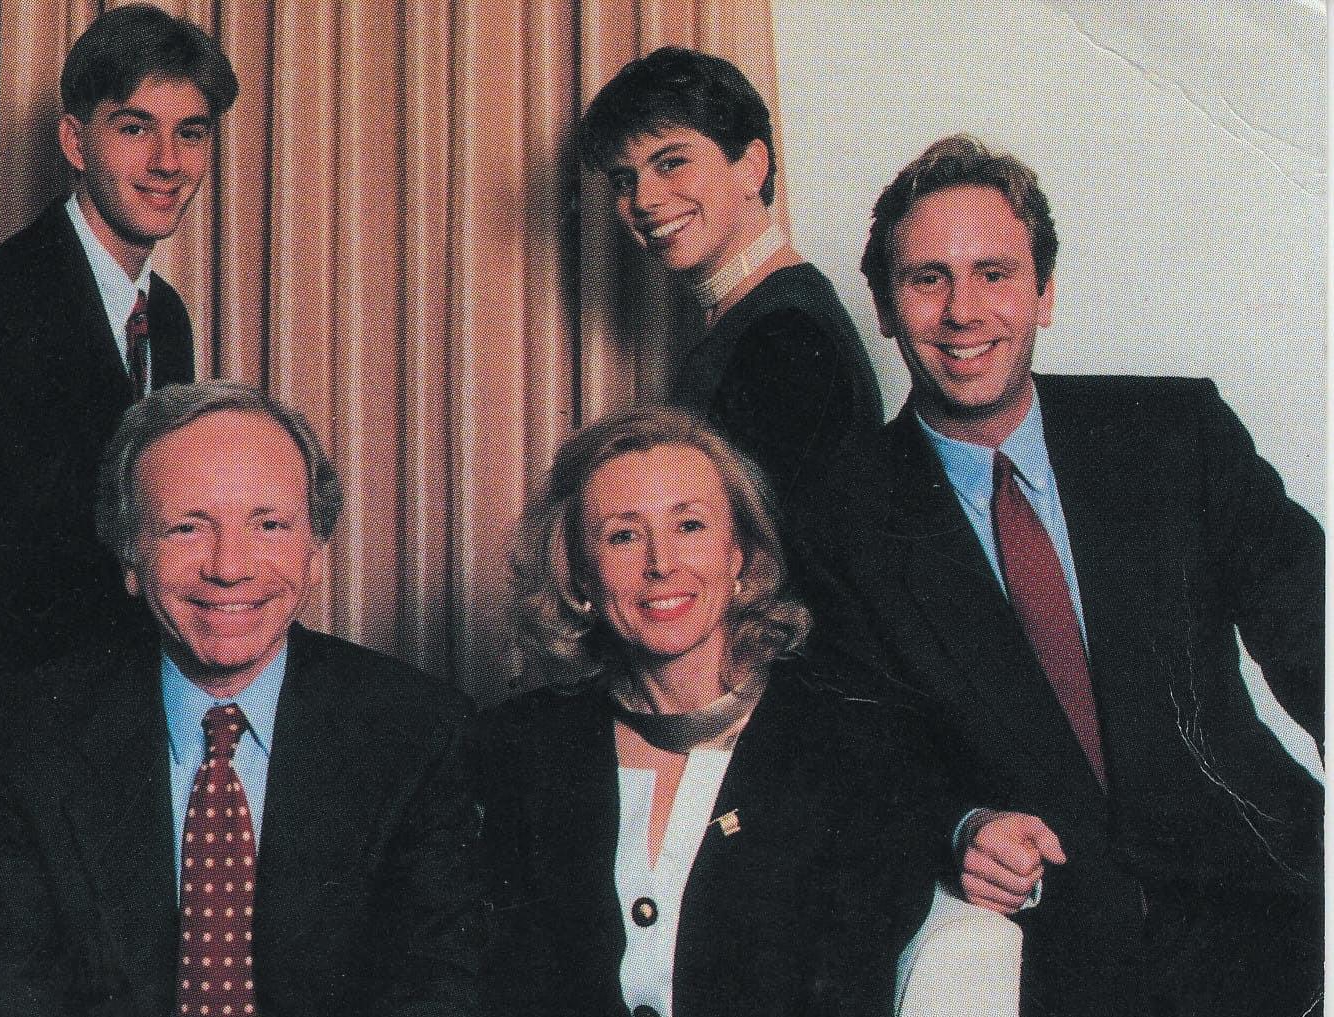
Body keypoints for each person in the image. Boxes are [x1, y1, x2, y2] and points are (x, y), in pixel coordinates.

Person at [792, 134, 1323, 1016]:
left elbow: (1312, 624)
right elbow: (853, 751)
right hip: (1059, 949)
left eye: (993, 273)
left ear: (1042, 292)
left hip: (1271, 899)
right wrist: (959, 825)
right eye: (927, 279)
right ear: (884, 307)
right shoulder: (836, 523)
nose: (963, 311)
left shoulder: (1173, 431)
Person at [0, 381, 481, 1016]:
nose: (229, 566)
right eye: (186, 528)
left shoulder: (419, 733)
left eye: (269, 525)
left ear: (315, 550)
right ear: (130, 558)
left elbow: (440, 992)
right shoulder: (25, 737)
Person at [478, 406, 937, 1017]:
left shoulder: (848, 746)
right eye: (622, 535)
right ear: (579, 575)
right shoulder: (518, 749)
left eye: (689, 526)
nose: (661, 564)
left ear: (739, 553)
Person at [0, 3, 239, 678]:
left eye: (191, 133)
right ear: (75, 142)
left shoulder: (166, 316)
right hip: (14, 688)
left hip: (125, 679)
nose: (168, 162)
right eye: (135, 128)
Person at [578, 47, 882, 504]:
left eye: (671, 163)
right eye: (624, 180)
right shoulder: (766, 310)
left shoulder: (785, 335)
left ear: (751, 168)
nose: (642, 200)